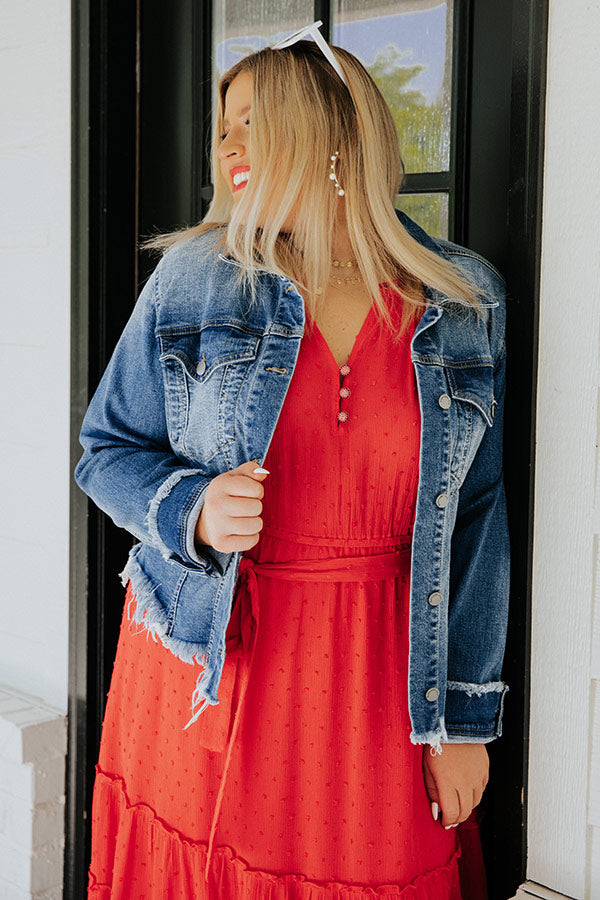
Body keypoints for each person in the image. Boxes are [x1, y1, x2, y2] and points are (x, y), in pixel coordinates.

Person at [75, 22, 510, 899]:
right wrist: (189, 506)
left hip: (386, 675)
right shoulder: (196, 278)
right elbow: (104, 451)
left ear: (337, 134)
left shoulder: (465, 296)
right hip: (217, 659)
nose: (228, 145)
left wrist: (466, 718)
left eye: (252, 121)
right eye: (223, 128)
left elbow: (479, 513)